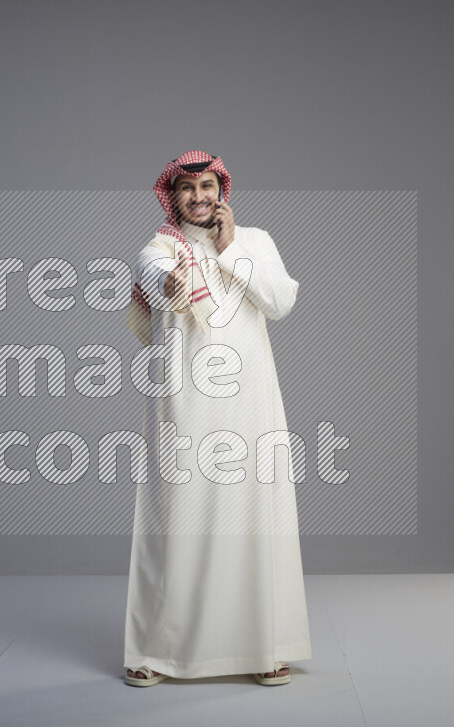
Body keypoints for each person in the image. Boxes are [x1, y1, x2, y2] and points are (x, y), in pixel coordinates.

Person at [123, 150, 312, 687]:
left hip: (250, 403)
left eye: (207, 185)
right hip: (185, 402)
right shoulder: (159, 249)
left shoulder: (255, 240)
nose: (199, 197)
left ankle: (265, 646)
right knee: (175, 520)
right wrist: (175, 284)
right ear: (172, 196)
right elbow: (159, 281)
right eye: (187, 188)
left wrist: (230, 251)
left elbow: (279, 302)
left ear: (222, 190)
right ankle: (157, 651)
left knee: (255, 514)